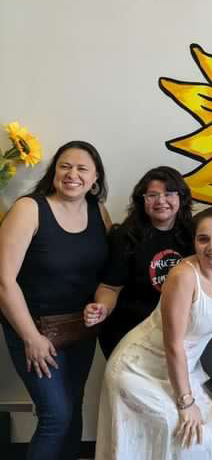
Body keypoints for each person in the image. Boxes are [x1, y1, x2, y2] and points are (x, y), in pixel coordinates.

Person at [95, 206, 212, 459]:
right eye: (203, 239)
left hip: (187, 368)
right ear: (194, 242)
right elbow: (174, 344)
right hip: (138, 369)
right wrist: (185, 402)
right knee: (183, 430)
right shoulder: (183, 276)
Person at [0, 141, 110, 460]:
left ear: (95, 179)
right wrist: (30, 337)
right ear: (54, 172)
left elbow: (104, 274)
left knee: (72, 409)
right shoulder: (29, 209)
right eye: (65, 166)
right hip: (34, 329)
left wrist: (100, 305)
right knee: (56, 416)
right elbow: (4, 281)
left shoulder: (98, 212)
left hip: (80, 329)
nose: (72, 174)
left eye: (82, 169)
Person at [84, 166, 193, 357]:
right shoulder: (125, 237)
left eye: (169, 194)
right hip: (129, 334)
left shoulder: (194, 235)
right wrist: (102, 307)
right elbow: (110, 288)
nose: (161, 201)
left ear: (181, 198)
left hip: (177, 335)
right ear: (142, 200)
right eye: (152, 195)